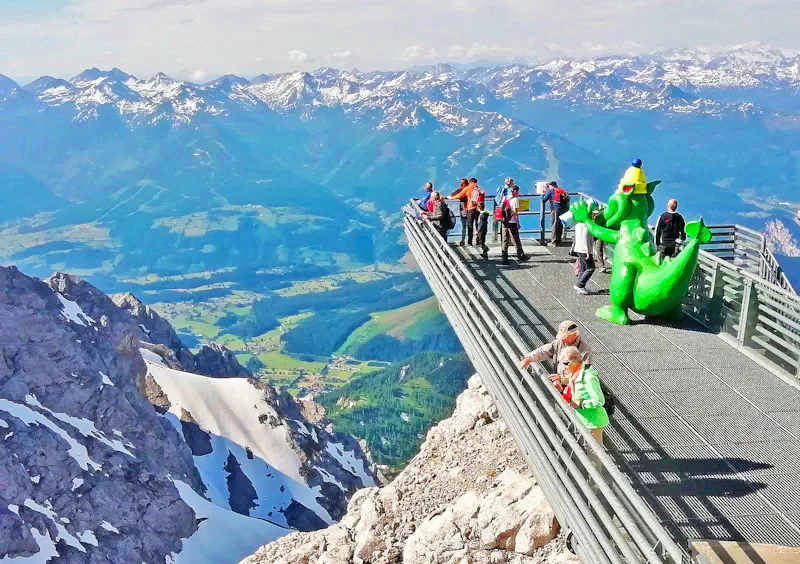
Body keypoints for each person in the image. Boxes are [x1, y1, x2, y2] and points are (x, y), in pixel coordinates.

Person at [555, 346, 609, 446]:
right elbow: (575, 388)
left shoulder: (589, 377)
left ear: (575, 361)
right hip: (584, 420)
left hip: (593, 423)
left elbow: (599, 400)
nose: (564, 367)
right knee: (588, 452)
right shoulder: (575, 374)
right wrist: (561, 386)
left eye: (566, 364)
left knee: (594, 455)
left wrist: (581, 404)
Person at [518, 320, 592, 383]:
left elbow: (583, 375)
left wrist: (562, 379)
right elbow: (544, 351)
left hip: (571, 387)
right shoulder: (559, 342)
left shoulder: (584, 350)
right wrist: (528, 358)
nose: (562, 339)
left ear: (574, 335)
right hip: (558, 380)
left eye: (565, 336)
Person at [501, 185, 530, 264]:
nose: (518, 193)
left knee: (505, 240)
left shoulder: (505, 198)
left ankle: (504, 258)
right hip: (512, 222)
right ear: (514, 191)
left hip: (504, 222)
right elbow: (515, 213)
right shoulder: (515, 200)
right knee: (516, 240)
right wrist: (518, 223)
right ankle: (521, 256)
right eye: (517, 191)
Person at [542, 181, 569, 245]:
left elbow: (543, 200)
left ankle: (553, 242)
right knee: (560, 225)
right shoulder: (561, 190)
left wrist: (544, 193)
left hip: (555, 210)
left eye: (549, 186)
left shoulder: (550, 191)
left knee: (554, 224)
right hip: (562, 210)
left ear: (552, 186)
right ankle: (559, 241)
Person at [573, 218, 595, 295]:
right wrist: (588, 251)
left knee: (582, 268)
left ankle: (581, 287)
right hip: (584, 250)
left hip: (578, 248)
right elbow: (585, 238)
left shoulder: (577, 224)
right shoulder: (586, 225)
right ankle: (580, 285)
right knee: (590, 268)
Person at [448, 178, 470, 246]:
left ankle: (463, 240)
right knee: (471, 225)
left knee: (464, 225)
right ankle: (471, 240)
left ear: (462, 184)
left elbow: (453, 195)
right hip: (471, 209)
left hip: (463, 208)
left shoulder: (461, 190)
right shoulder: (470, 190)